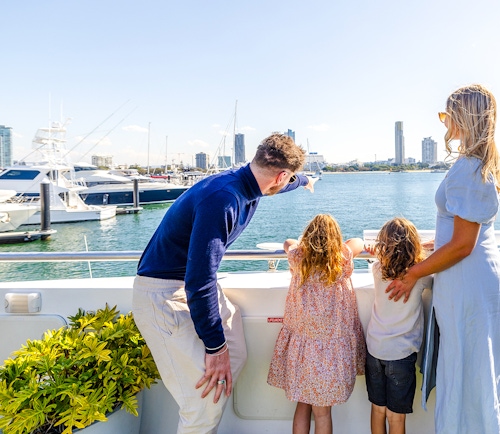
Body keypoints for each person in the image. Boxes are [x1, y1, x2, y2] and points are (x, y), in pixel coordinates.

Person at [132, 133, 315, 434]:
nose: (288, 182)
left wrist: (304, 181)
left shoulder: (250, 180)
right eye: (289, 178)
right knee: (203, 400)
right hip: (164, 294)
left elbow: (282, 184)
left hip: (186, 285)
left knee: (235, 356)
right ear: (280, 175)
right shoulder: (223, 200)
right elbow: (199, 279)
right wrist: (214, 348)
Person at [386, 84, 500, 434]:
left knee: (469, 375)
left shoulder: (470, 168)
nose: (444, 122)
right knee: (471, 372)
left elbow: (462, 244)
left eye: (447, 115)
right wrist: (424, 247)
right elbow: (459, 233)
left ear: (463, 117)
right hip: (473, 278)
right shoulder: (482, 164)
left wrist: (413, 274)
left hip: (467, 280)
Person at [267, 214, 366, 434]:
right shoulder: (341, 261)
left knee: (302, 405)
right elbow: (357, 242)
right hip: (330, 355)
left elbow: (288, 243)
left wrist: (301, 246)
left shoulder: (299, 260)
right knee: (322, 413)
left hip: (302, 351)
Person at [364, 217, 433, 434]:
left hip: (375, 350)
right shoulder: (420, 277)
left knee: (378, 410)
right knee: (396, 418)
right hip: (401, 355)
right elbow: (436, 261)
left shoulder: (377, 269)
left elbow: (381, 257)